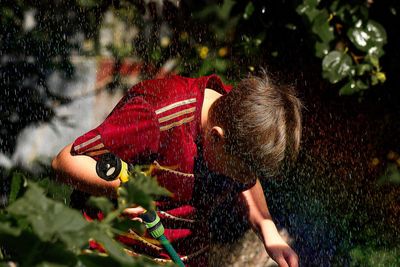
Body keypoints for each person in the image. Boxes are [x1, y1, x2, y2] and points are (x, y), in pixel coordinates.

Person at [52, 72, 301, 267]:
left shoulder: (235, 116)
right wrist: (119, 188)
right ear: (215, 137)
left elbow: (246, 179)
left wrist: (268, 230)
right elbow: (65, 161)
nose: (247, 181)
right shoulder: (157, 116)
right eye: (239, 173)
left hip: (185, 256)